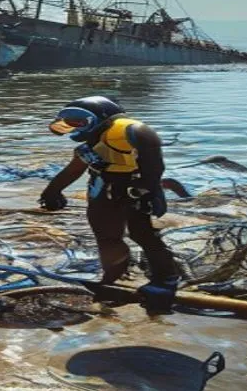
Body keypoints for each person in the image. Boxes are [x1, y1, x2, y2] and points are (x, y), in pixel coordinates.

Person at [40, 96, 179, 310]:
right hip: (102, 187)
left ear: (102, 119)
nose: (73, 126)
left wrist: (146, 190)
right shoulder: (90, 145)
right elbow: (74, 170)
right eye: (69, 121)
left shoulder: (130, 131)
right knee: (106, 237)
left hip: (134, 189)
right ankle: (114, 276)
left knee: (142, 234)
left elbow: (155, 165)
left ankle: (166, 279)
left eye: (79, 121)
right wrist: (52, 192)